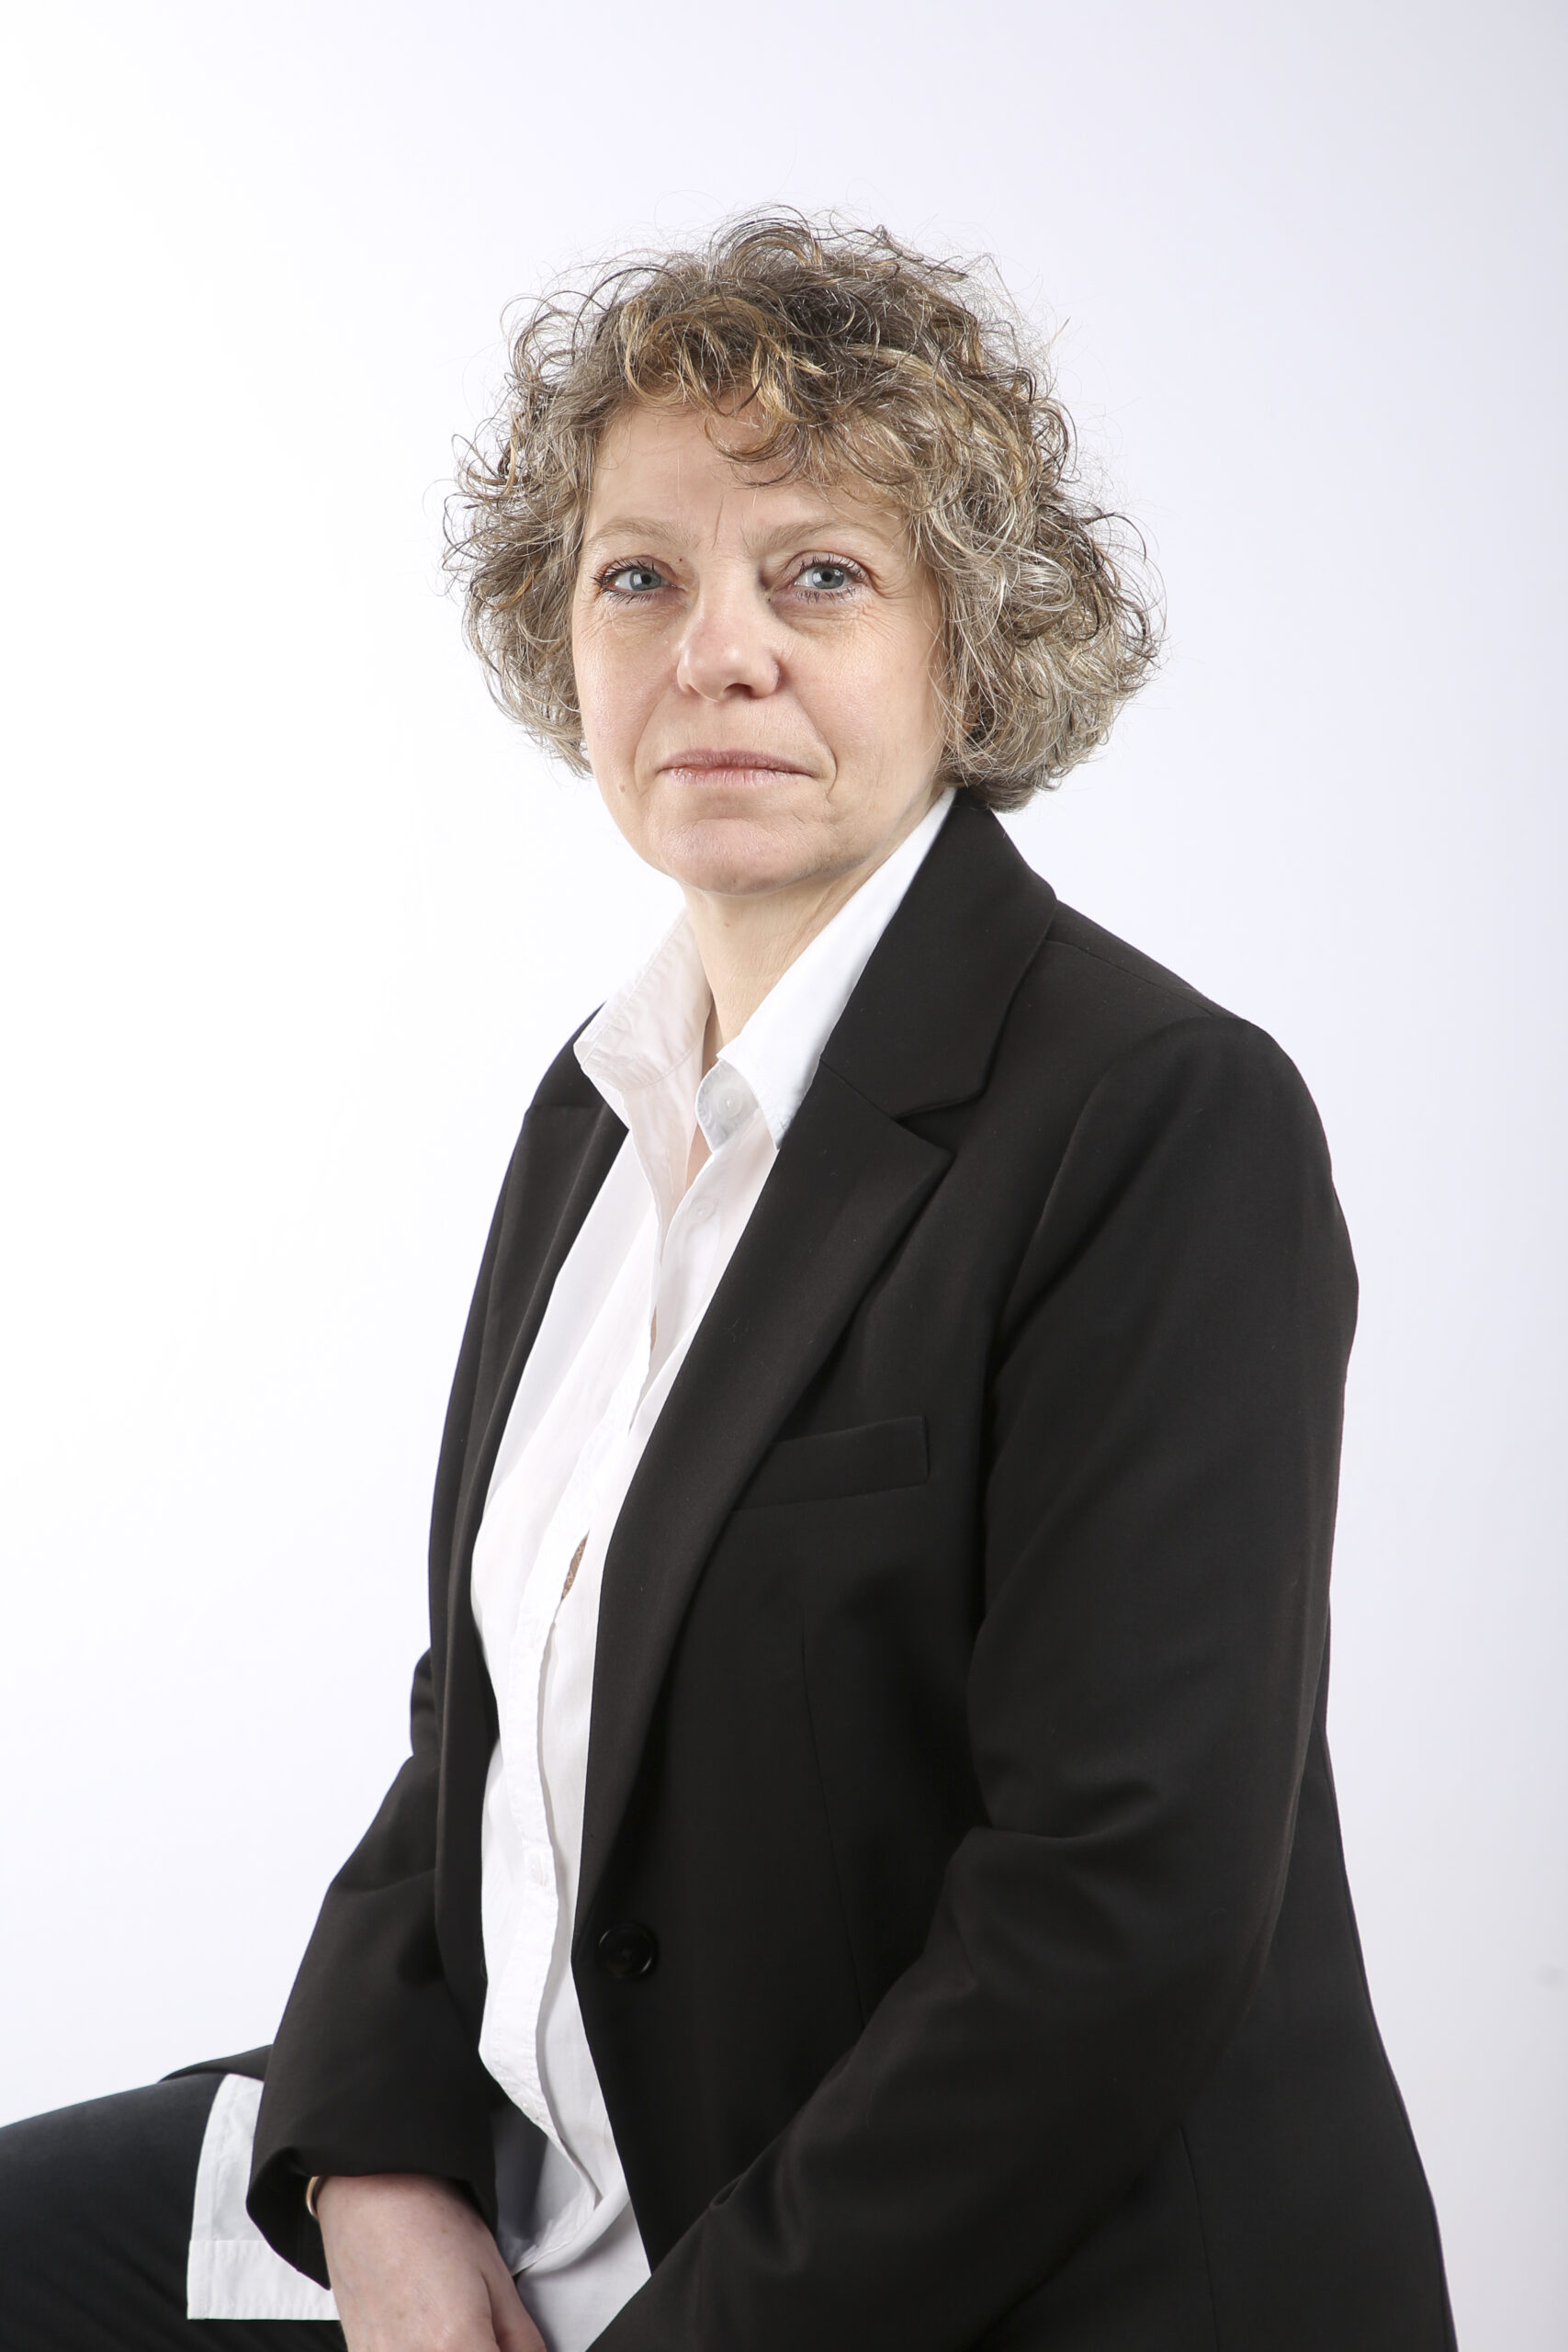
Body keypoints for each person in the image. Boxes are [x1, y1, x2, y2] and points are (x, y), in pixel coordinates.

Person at [0, 215, 1457, 2352]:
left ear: (970, 647)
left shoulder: (1155, 1118)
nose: (716, 651)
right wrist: (369, 2164)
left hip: (943, 2264)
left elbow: (1110, 1920)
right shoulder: (597, 1108)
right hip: (569, 2149)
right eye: (638, 577)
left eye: (819, 574)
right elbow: (481, 1713)